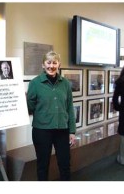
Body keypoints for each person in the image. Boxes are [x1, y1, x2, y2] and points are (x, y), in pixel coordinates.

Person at [27, 51, 76, 180]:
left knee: (65, 165)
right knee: (43, 165)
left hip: (62, 130)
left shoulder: (65, 83)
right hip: (42, 131)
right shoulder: (35, 83)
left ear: (59, 64)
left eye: (55, 63)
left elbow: (69, 107)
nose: (51, 66)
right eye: (48, 63)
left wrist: (72, 131)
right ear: (43, 65)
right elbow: (30, 107)